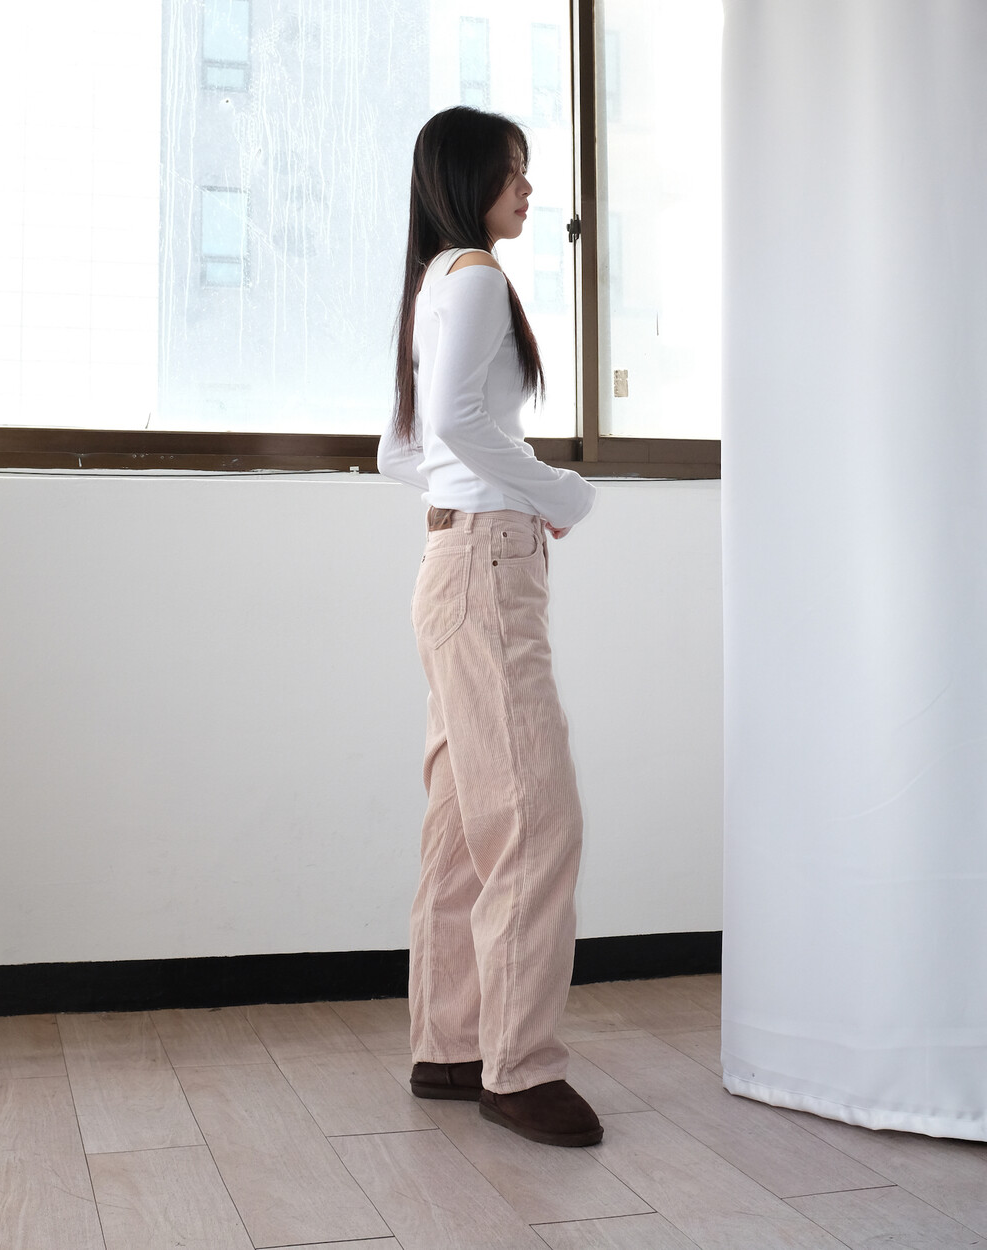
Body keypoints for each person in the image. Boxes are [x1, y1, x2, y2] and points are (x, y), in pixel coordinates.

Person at [377, 105, 601, 1148]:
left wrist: (478, 495)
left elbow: (403, 449)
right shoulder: (473, 277)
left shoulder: (432, 282)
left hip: (450, 563)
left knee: (464, 819)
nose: (527, 189)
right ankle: (518, 1070)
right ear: (468, 179)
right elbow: (456, 425)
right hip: (486, 564)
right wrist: (555, 491)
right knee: (535, 818)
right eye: (513, 171)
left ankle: (451, 1045)